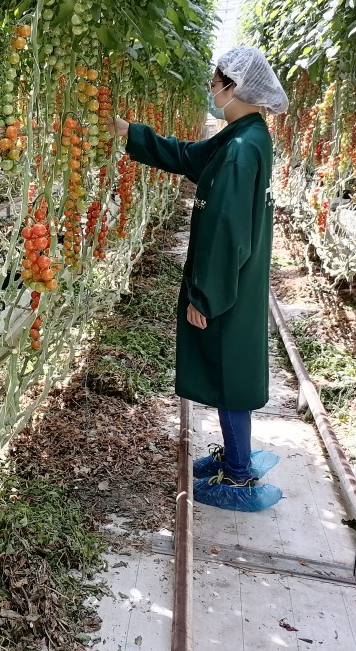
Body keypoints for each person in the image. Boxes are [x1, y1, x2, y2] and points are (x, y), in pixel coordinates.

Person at [106, 46, 290, 512]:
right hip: (240, 280)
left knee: (229, 371)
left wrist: (204, 296)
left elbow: (227, 234)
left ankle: (239, 476)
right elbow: (190, 156)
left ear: (236, 87)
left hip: (227, 283)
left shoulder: (239, 153)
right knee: (235, 367)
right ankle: (236, 454)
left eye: (217, 83)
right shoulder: (246, 136)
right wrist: (132, 133)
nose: (212, 90)